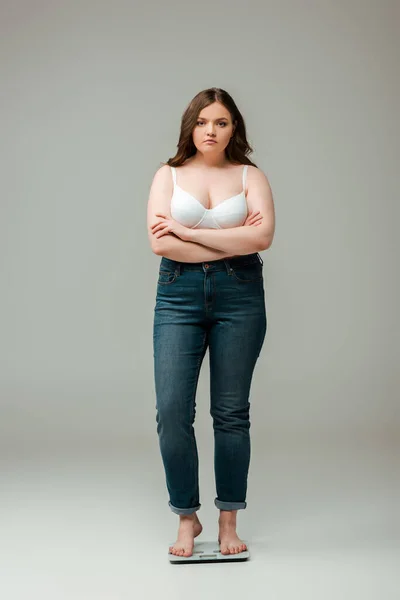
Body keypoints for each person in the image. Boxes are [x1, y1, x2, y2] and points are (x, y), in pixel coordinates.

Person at [147, 87, 275, 558]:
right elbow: (162, 246)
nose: (211, 131)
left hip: (239, 295)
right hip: (177, 294)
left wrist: (186, 229)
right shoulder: (169, 175)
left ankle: (227, 521)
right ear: (190, 126)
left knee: (231, 413)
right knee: (172, 414)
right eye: (203, 122)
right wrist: (228, 239)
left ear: (233, 128)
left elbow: (263, 236)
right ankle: (187, 517)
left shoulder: (249, 175)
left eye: (221, 122)